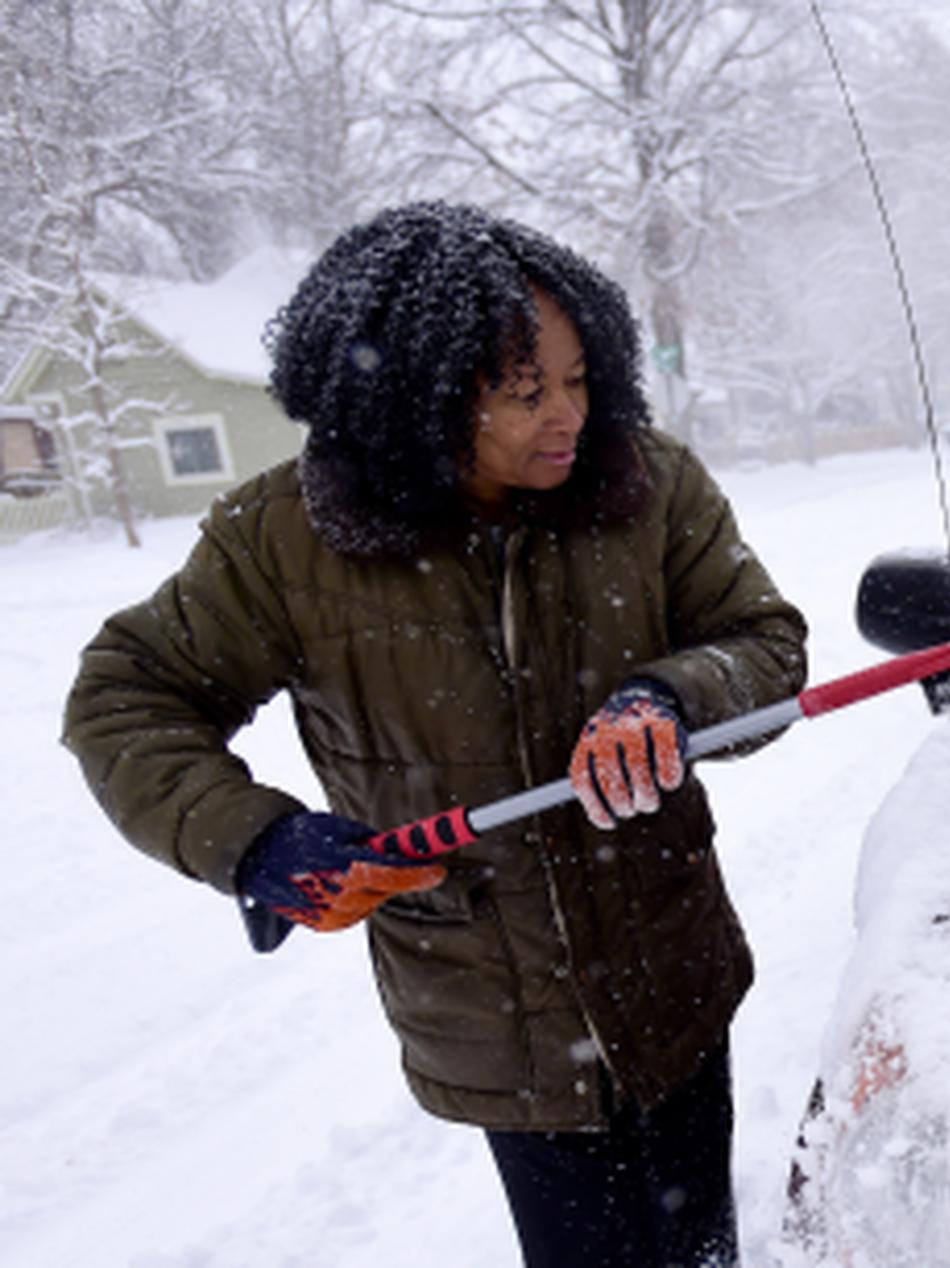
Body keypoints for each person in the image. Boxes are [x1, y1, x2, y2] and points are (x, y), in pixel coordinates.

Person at [61, 201, 809, 1268]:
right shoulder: (285, 541)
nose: (568, 417)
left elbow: (763, 641)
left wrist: (675, 696)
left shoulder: (648, 488)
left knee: (698, 1247)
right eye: (523, 392)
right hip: (495, 1014)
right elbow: (125, 695)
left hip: (670, 968)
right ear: (413, 396)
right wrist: (256, 841)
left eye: (580, 380)